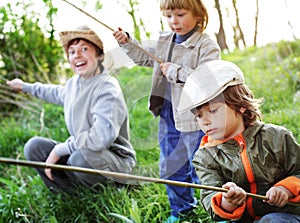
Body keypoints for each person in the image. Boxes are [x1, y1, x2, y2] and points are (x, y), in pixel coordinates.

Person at [113, 0, 220, 222]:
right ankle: (181, 210)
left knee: (201, 166)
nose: (174, 21)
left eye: (180, 14)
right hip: (168, 116)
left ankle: (219, 210)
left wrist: (176, 71)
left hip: (195, 119)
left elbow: (208, 80)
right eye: (169, 15)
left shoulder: (206, 45)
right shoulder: (164, 41)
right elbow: (143, 56)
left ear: (198, 15)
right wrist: (128, 42)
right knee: (171, 165)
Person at [6, 25, 136, 193]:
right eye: (72, 52)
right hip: (84, 151)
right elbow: (54, 92)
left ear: (99, 56)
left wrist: (60, 149)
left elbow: (100, 139)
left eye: (84, 49)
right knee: (34, 146)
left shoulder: (107, 89)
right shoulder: (74, 84)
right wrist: (25, 86)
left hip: (115, 160)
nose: (77, 55)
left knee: (80, 158)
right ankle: (71, 194)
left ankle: (115, 189)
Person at [177, 60, 300, 223]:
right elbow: (209, 196)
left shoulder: (276, 137)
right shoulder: (205, 157)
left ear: (240, 105)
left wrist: (285, 189)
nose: (205, 121)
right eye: (199, 116)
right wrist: (228, 201)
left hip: (288, 215)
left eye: (213, 111)